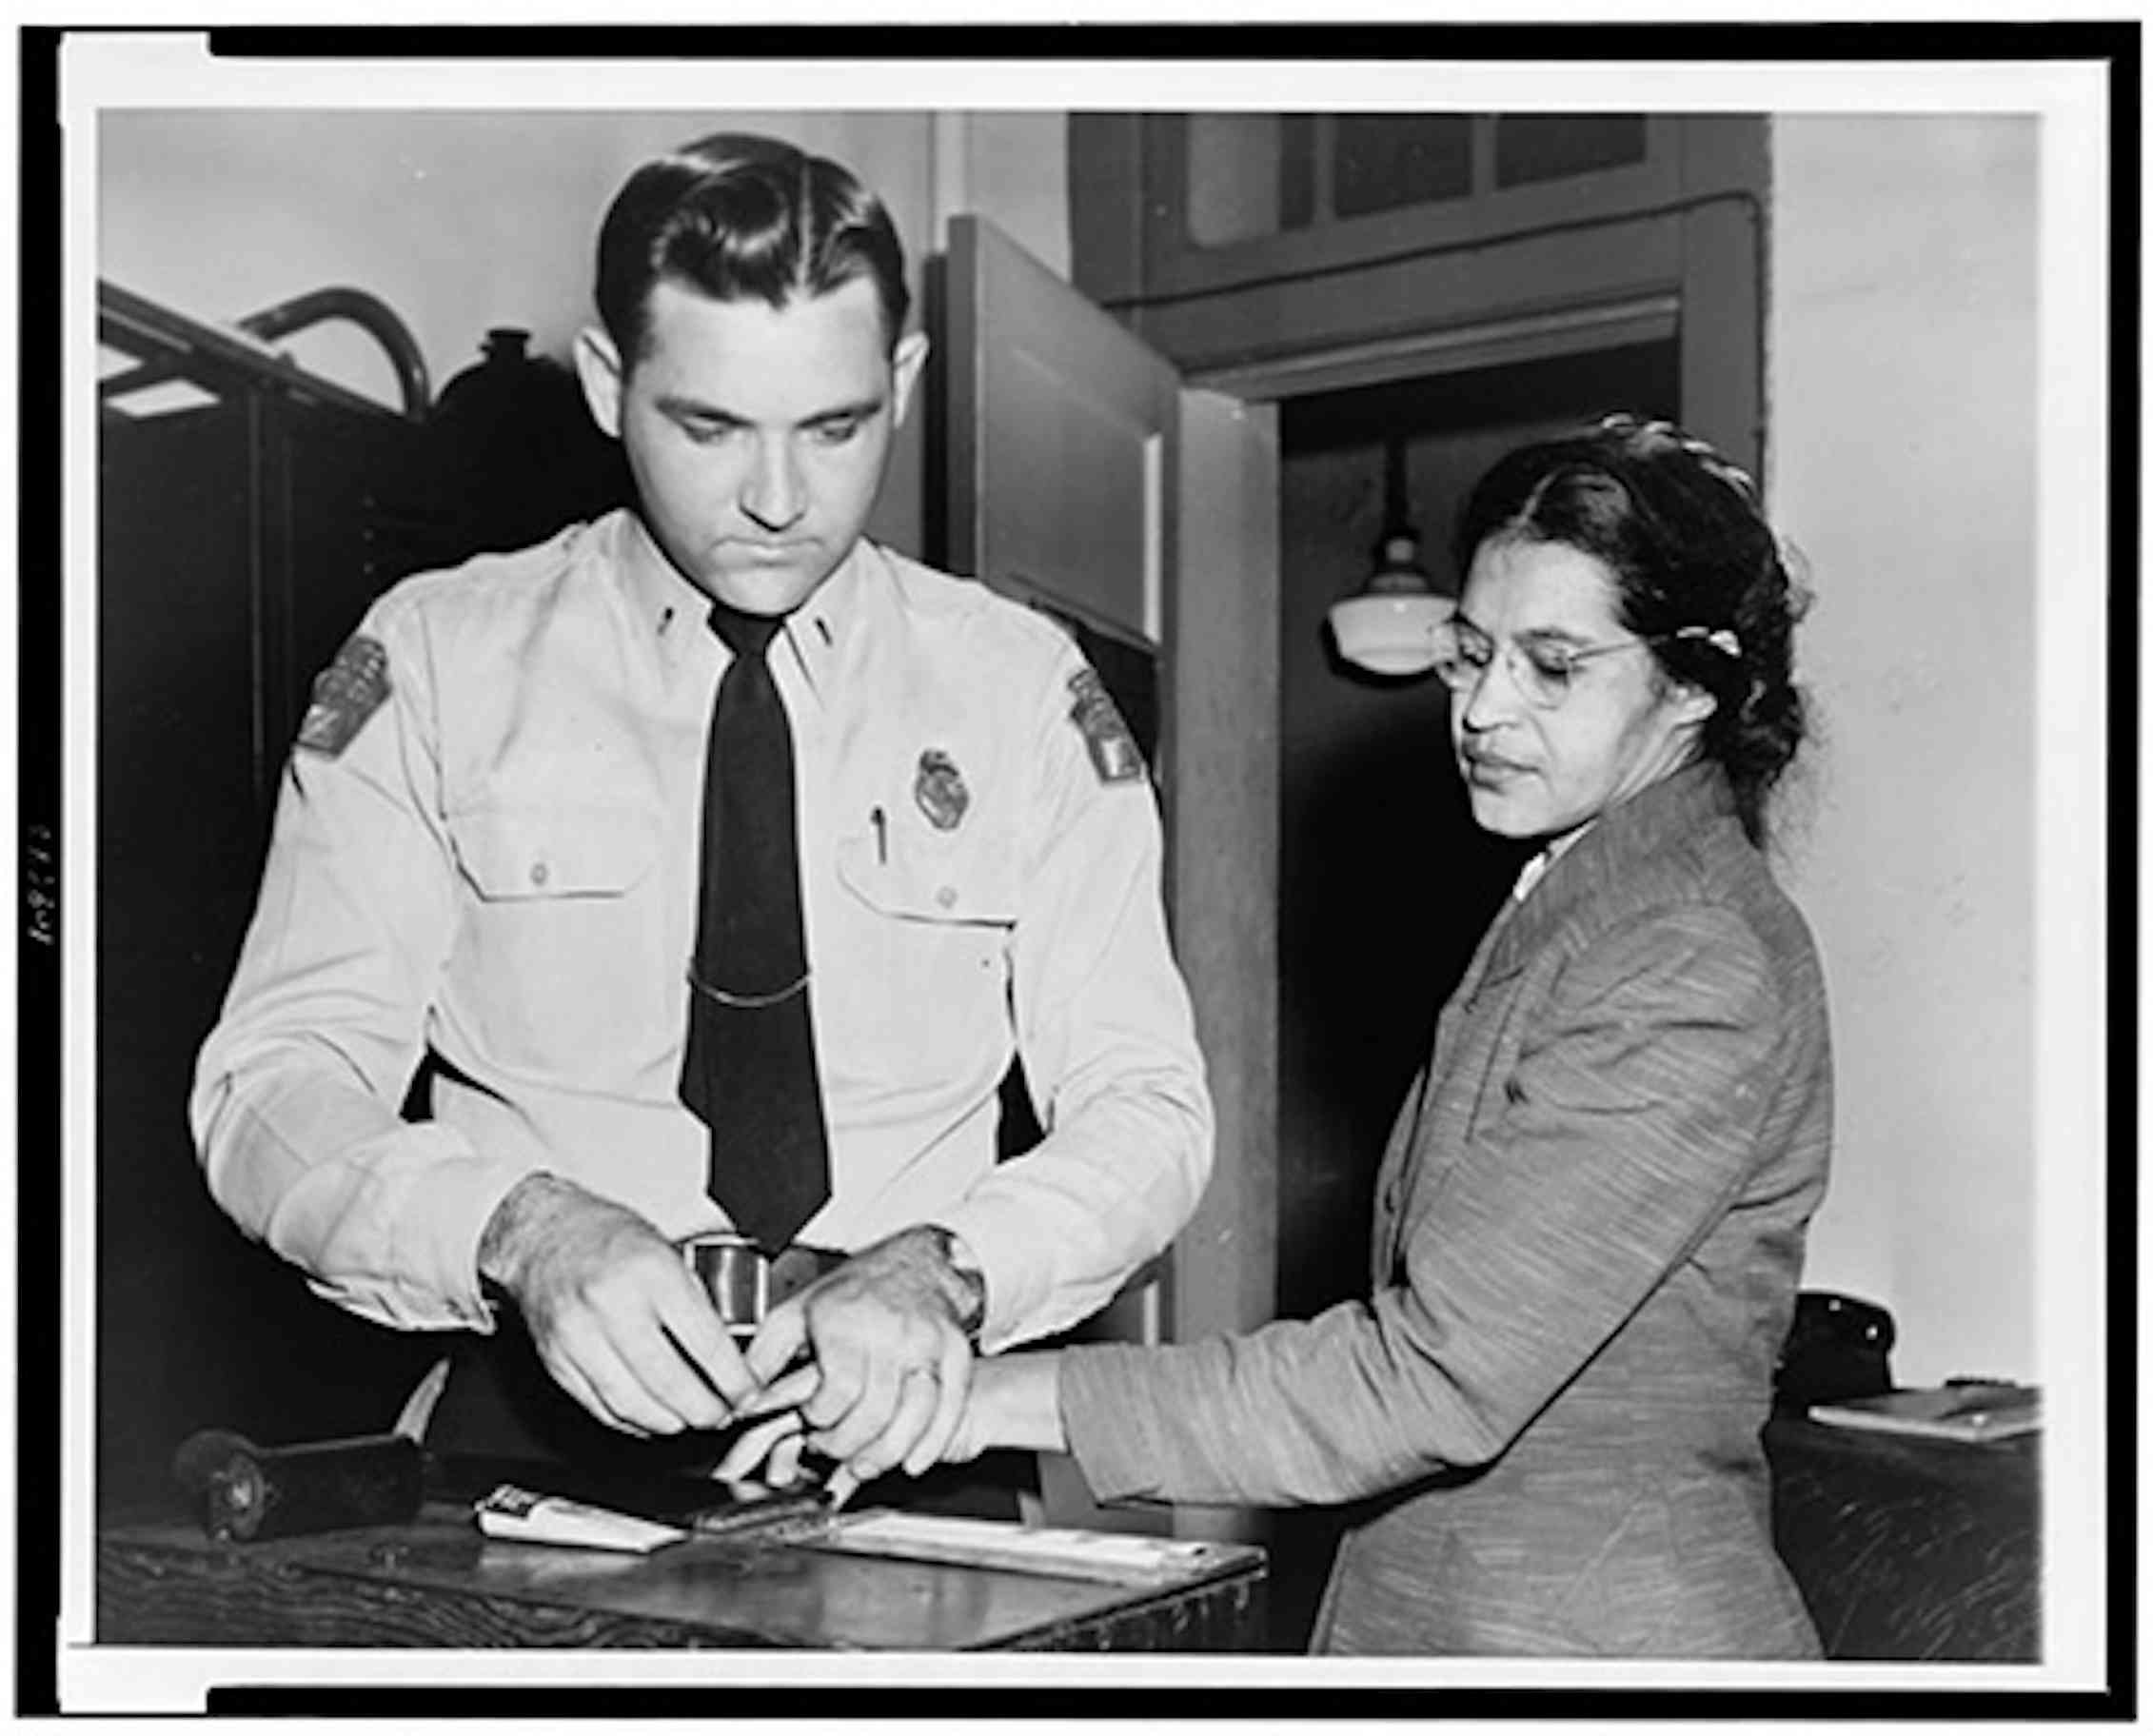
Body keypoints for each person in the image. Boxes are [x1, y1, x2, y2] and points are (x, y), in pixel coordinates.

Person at [189, 131, 1214, 1494]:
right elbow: (271, 1086)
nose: (779, 501)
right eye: (710, 426)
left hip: (903, 1439)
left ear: (900, 384)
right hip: (521, 1447)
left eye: (836, 428)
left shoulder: (1021, 691)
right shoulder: (439, 658)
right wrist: (523, 1231)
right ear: (610, 384)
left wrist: (951, 1267)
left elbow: (1144, 1106)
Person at [755, 414, 1831, 1654]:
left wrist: (965, 1403)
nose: (1481, 710)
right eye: (1469, 655)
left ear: (1693, 682)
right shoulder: (1592, 896)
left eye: (1551, 665)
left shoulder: (1685, 952)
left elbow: (1429, 1380)